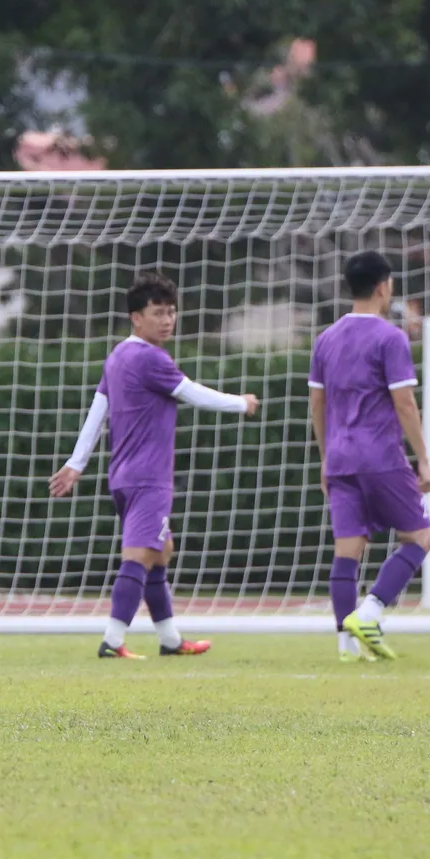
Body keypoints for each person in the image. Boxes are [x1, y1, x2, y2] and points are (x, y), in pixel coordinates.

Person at [49, 271, 260, 658]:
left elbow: (99, 409)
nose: (166, 320)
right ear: (136, 317)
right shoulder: (149, 358)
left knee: (161, 550)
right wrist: (240, 403)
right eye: (158, 312)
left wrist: (76, 464)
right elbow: (192, 393)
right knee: (141, 555)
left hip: (124, 476)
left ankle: (170, 639)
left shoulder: (118, 356)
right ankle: (112, 641)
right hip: (149, 478)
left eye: (171, 312)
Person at [309, 251, 430, 661]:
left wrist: (327, 459)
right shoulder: (389, 337)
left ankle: (346, 645)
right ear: (384, 286)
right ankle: (371, 610)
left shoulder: (326, 339)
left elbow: (317, 404)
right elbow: (404, 404)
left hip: (340, 458)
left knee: (348, 548)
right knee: (419, 538)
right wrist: (424, 459)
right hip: (380, 455)